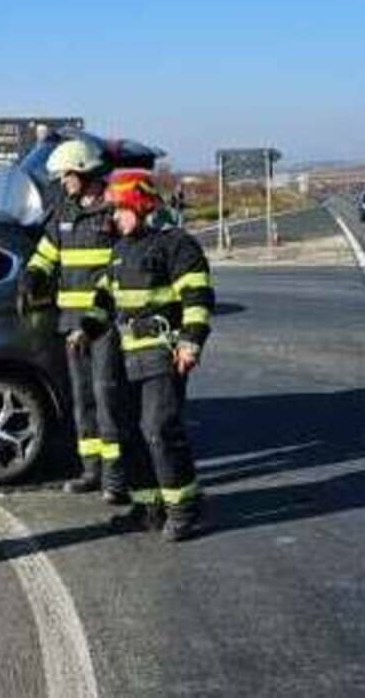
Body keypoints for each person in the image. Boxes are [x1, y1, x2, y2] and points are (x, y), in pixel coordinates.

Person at [89, 169, 216, 542]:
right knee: (130, 433)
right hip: (128, 355)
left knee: (159, 429)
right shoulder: (121, 250)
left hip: (163, 352)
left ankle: (184, 507)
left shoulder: (176, 244)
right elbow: (104, 298)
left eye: (119, 210)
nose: (113, 218)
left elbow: (197, 297)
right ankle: (148, 506)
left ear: (140, 206)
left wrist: (191, 342)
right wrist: (86, 329)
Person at [21, 138, 125, 500]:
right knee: (82, 400)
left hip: (104, 324)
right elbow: (46, 255)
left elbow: (123, 268)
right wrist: (32, 275)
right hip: (70, 326)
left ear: (84, 170)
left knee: (106, 395)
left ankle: (115, 476)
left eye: (66, 174)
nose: (63, 182)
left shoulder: (113, 212)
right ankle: (90, 470)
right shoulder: (63, 213)